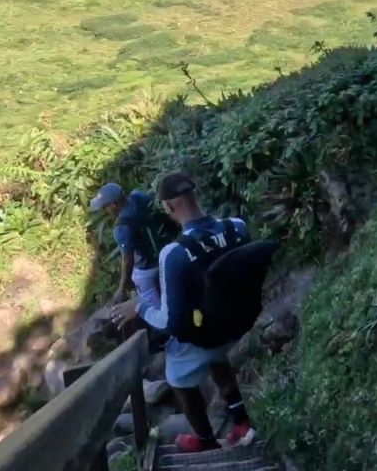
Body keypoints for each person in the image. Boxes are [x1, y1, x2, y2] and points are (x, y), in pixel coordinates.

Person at [111, 171, 257, 453]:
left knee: (176, 375)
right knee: (216, 354)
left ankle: (205, 441)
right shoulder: (237, 227)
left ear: (168, 207)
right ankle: (241, 423)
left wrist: (138, 306)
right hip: (238, 322)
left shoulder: (174, 254)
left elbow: (169, 322)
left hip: (210, 330)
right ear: (197, 192)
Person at [90, 182, 164, 308]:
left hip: (148, 266)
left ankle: (157, 318)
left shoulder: (122, 228)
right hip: (164, 249)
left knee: (143, 287)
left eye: (105, 207)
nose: (105, 210)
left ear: (113, 206)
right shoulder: (139, 196)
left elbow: (127, 261)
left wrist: (121, 289)